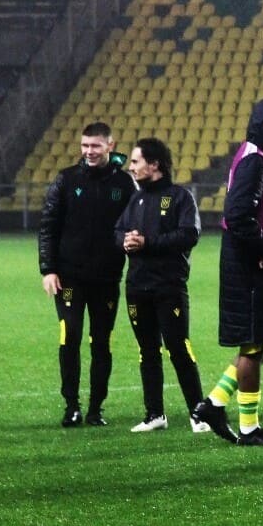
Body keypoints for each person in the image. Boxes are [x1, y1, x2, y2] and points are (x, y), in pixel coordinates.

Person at [192, 98, 263, 447]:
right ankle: (248, 427)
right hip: (251, 265)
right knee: (254, 344)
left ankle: (215, 404)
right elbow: (238, 215)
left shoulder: (257, 155)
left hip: (259, 264)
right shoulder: (254, 160)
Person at [38, 122, 136, 427]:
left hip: (106, 279)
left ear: (110, 145)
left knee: (101, 342)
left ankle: (96, 408)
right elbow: (48, 227)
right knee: (70, 336)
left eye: (95, 146)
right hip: (69, 277)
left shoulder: (125, 183)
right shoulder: (66, 180)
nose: (89, 152)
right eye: (84, 146)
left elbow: (135, 226)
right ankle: (71, 406)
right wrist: (48, 269)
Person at [114, 137, 206, 433]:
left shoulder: (180, 197)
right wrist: (124, 241)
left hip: (169, 287)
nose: (131, 167)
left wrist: (147, 243)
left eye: (135, 161)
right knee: (147, 350)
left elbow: (189, 235)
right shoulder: (136, 199)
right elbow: (118, 229)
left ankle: (198, 414)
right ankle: (155, 414)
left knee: (179, 348)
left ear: (154, 165)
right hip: (137, 286)